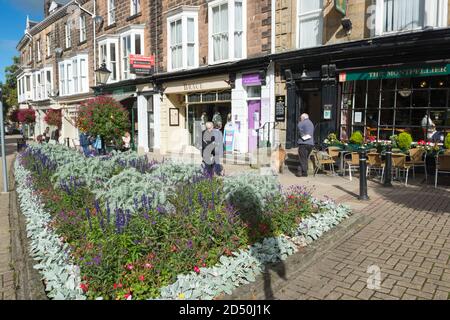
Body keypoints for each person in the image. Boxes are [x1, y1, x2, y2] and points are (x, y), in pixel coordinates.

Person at [297, 113, 315, 177]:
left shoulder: (302, 122)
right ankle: (300, 171)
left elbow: (298, 127)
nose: (300, 119)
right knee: (305, 158)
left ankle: (304, 172)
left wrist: (302, 135)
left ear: (303, 118)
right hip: (311, 144)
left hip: (303, 143)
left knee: (302, 158)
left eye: (301, 118)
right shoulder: (311, 123)